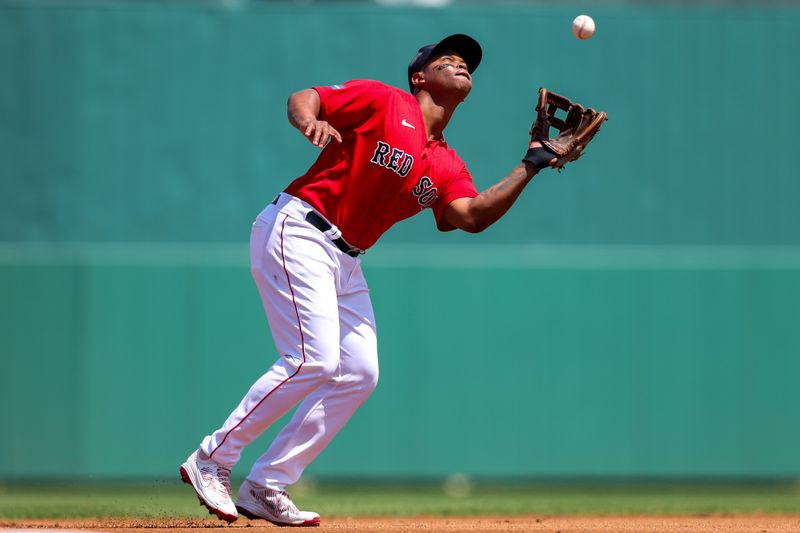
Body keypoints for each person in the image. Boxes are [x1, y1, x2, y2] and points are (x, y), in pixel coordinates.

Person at [179, 33, 559, 527]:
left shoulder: (445, 161)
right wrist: (309, 120)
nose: (462, 63)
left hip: (347, 260)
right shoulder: (386, 101)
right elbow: (307, 97)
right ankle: (212, 458)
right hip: (301, 228)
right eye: (449, 58)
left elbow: (470, 215)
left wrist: (530, 164)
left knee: (358, 373)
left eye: (468, 63)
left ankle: (266, 482)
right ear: (420, 76)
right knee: (312, 360)